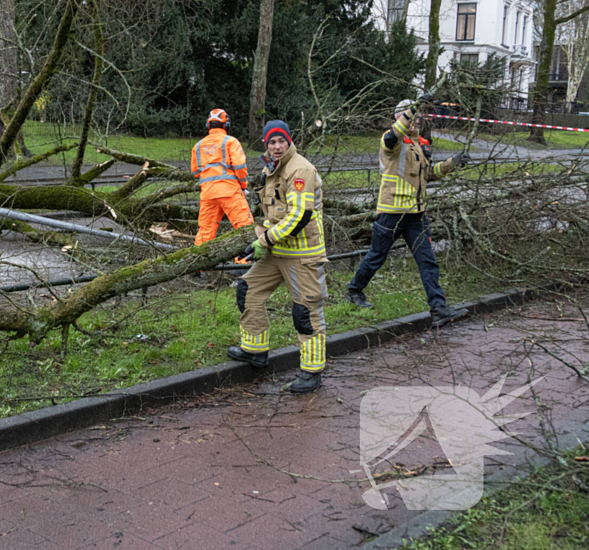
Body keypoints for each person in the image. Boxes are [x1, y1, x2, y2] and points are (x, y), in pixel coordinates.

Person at [345, 93, 471, 328]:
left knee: (427, 261)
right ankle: (354, 291)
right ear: (400, 117)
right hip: (392, 211)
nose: (416, 121)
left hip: (416, 214)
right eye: (412, 117)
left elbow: (429, 174)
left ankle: (438, 308)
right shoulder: (391, 141)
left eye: (418, 117)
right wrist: (412, 107)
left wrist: (452, 163)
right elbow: (396, 132)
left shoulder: (418, 145)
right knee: (376, 256)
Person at [227, 121, 328, 394]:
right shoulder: (269, 169)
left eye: (281, 141)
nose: (277, 146)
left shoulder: (300, 169)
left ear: (289, 141)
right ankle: (255, 351)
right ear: (266, 145)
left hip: (303, 255)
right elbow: (271, 214)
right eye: (271, 142)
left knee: (305, 313)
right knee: (247, 290)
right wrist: (260, 235)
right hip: (277, 252)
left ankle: (312, 371)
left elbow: (299, 216)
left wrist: (265, 240)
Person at [191, 109, 254, 245]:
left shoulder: (198, 146)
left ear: (208, 126)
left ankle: (199, 265)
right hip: (230, 192)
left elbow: (195, 171)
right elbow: (240, 167)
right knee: (244, 228)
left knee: (205, 232)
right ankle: (245, 265)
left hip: (208, 194)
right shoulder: (231, 142)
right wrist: (243, 186)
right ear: (226, 125)